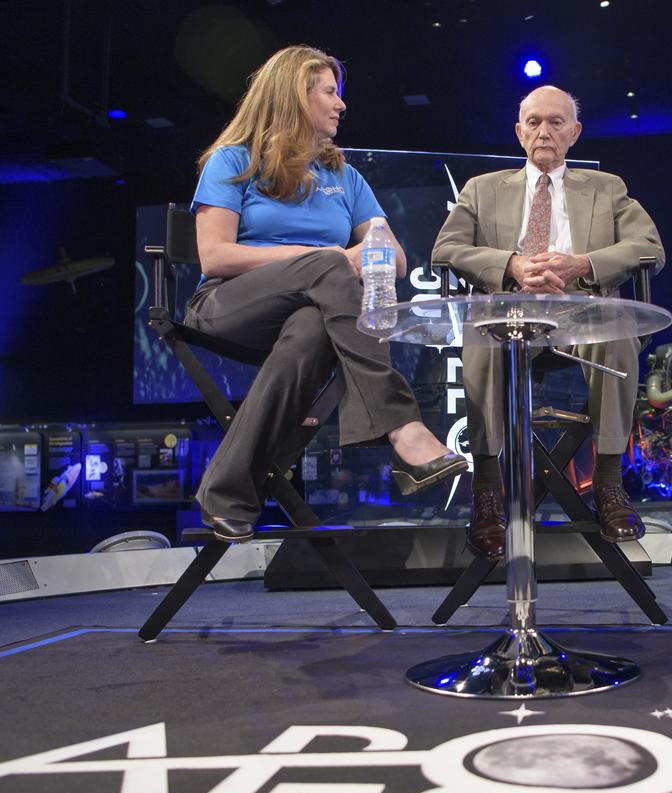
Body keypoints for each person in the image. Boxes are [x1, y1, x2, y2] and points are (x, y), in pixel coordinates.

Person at [188, 45, 466, 542]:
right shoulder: (232, 161)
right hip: (227, 305)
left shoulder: (343, 174)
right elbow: (215, 257)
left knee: (313, 327)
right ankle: (400, 424)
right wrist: (325, 257)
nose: (341, 104)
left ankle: (226, 494)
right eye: (330, 92)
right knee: (328, 262)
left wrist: (369, 250)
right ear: (294, 96)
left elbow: (396, 260)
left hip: (315, 311)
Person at [432, 86, 665, 558]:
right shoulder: (482, 188)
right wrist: (511, 265)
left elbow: (649, 248)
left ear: (574, 133)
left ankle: (609, 484)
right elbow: (446, 249)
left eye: (556, 122)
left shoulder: (607, 187)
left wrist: (581, 264)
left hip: (581, 307)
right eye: (534, 122)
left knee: (616, 331)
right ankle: (486, 494)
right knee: (482, 335)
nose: (544, 131)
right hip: (508, 306)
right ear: (519, 132)